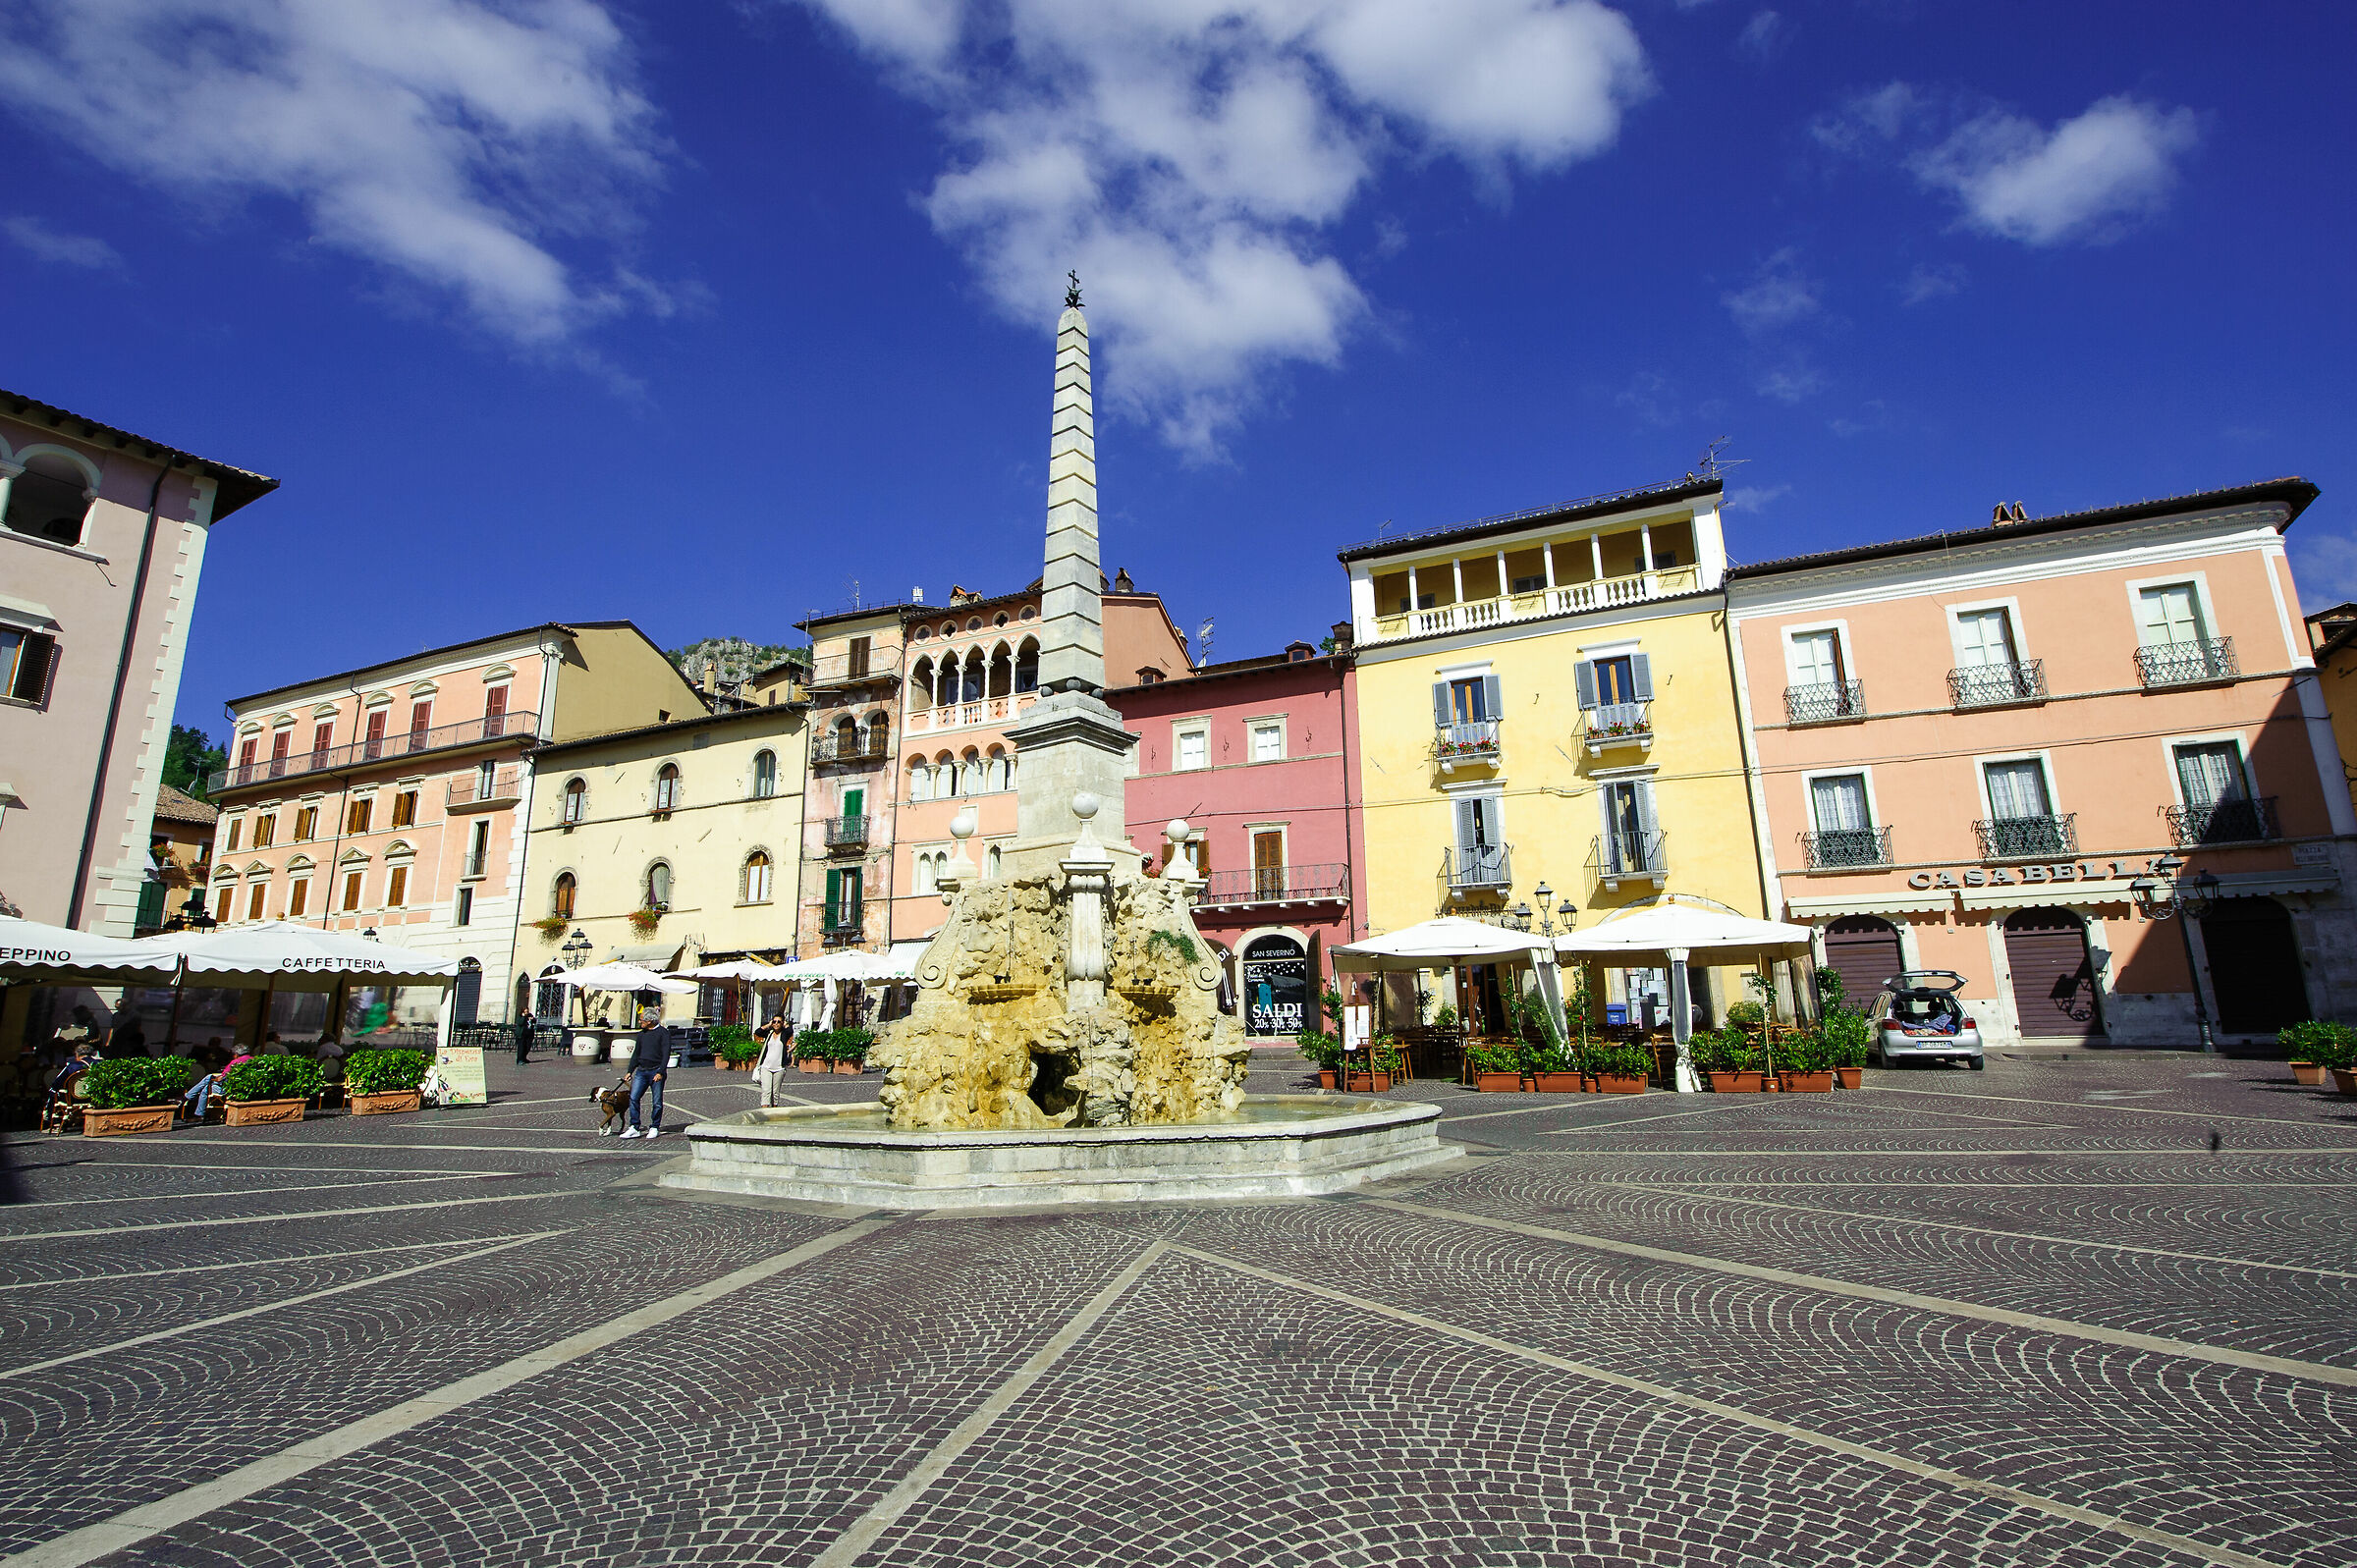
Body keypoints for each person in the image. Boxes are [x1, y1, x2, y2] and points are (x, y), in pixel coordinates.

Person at [622, 1007, 669, 1140]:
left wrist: (660, 1072)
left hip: (656, 1071)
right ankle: (634, 1127)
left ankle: (655, 1127)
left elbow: (666, 1054)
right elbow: (636, 1053)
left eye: (642, 1020)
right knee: (634, 1097)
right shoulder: (642, 1034)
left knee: (657, 1101)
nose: (640, 1022)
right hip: (641, 1071)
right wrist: (630, 1071)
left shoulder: (663, 1033)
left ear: (649, 1021)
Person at [753, 1016, 786, 1108]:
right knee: (766, 1091)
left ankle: (774, 1110)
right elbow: (758, 1032)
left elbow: (791, 1031)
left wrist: (786, 1025)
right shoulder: (769, 1033)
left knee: (775, 1093)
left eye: (779, 1022)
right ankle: (765, 1111)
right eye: (774, 1021)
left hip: (779, 1068)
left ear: (782, 1023)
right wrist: (768, 1025)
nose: (776, 1023)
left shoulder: (784, 1034)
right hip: (766, 1067)